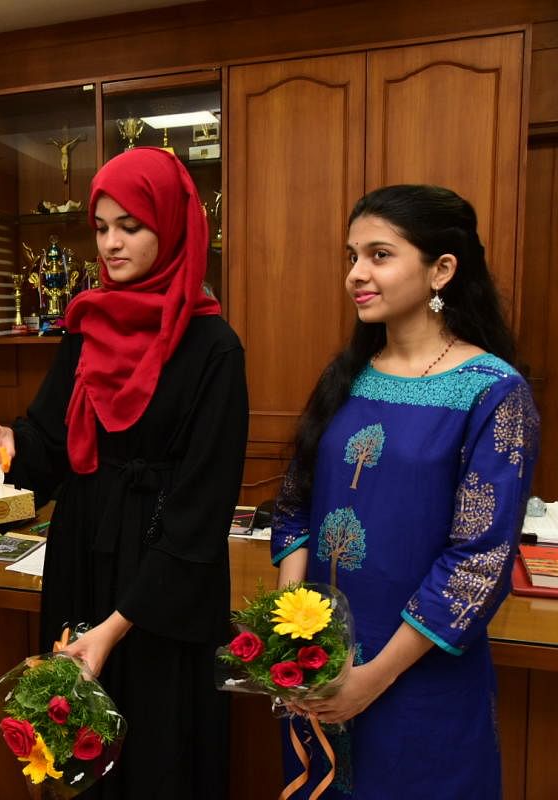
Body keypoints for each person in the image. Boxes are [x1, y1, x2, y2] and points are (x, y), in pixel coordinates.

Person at [0, 146, 249, 799]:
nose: (112, 242)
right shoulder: (87, 324)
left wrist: (115, 628)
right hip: (83, 559)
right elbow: (50, 444)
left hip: (163, 580)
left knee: (155, 753)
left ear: (173, 226)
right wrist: (5, 442)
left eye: (131, 225)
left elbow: (200, 511)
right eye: (101, 227)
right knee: (77, 752)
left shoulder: (214, 348)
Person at [270, 185, 540, 798]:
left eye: (379, 255)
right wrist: (294, 631)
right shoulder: (345, 376)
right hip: (317, 672)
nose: (356, 274)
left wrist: (371, 677)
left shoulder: (492, 392)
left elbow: (479, 561)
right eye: (351, 256)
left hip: (422, 679)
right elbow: (294, 506)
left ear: (442, 269)